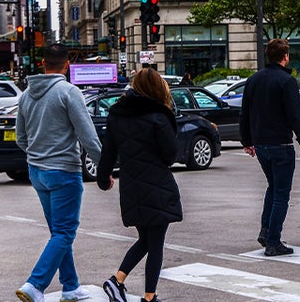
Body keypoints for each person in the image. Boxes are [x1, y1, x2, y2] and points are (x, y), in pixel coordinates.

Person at [14, 44, 103, 302]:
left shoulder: (26, 96)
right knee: (65, 232)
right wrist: (103, 167)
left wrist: (37, 153)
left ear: (43, 64)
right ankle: (35, 284)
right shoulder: (69, 92)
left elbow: (21, 138)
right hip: (64, 171)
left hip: (37, 172)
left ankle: (71, 286)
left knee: (59, 233)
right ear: (66, 66)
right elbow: (87, 135)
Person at [97, 68, 183, 302]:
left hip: (132, 186)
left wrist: (103, 178)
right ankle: (148, 296)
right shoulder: (159, 115)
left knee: (147, 238)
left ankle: (117, 281)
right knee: (155, 243)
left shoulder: (117, 114)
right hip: (156, 185)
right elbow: (170, 156)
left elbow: (108, 152)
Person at [239, 38, 300, 257]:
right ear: (285, 56)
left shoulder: (253, 80)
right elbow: (295, 114)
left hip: (261, 144)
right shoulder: (286, 81)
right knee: (281, 193)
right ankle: (273, 240)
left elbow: (245, 112)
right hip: (281, 144)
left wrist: (247, 141)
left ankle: (265, 230)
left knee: (272, 188)